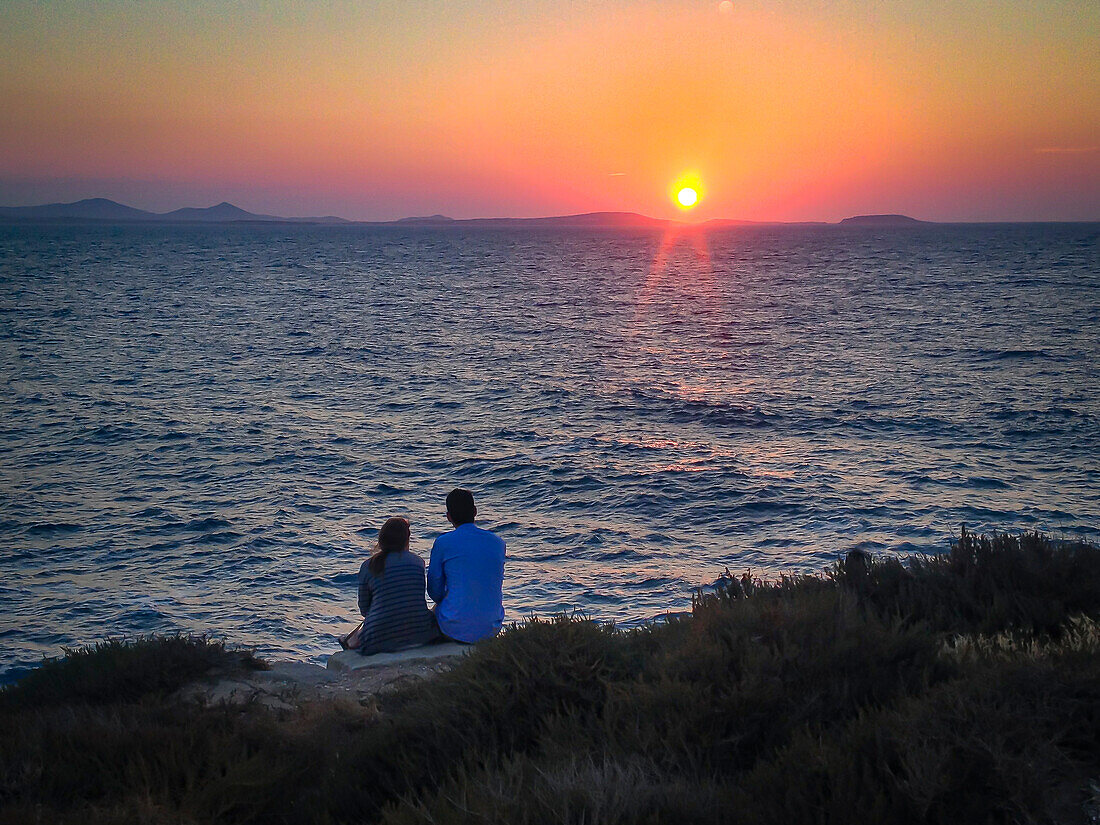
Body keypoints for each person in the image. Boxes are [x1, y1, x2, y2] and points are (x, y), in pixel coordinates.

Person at [343, 516, 436, 655]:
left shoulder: (368, 566)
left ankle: (351, 641)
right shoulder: (418, 562)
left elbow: (364, 609)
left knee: (364, 628)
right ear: (406, 539)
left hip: (379, 641)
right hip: (421, 633)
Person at [427, 488, 506, 643]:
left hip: (454, 630)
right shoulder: (498, 542)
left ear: (448, 517)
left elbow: (434, 591)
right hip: (492, 627)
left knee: (436, 611)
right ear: (475, 511)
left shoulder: (443, 543)